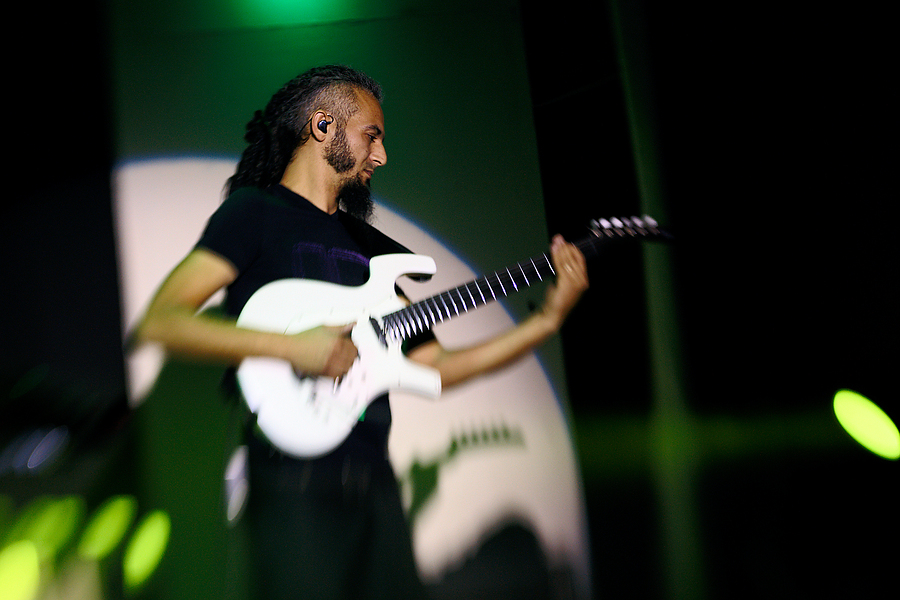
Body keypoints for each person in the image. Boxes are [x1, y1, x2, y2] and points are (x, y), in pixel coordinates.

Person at [134, 65, 588, 600]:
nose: (381, 156)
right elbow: (163, 321)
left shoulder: (375, 249)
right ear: (323, 126)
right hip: (291, 486)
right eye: (372, 135)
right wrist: (293, 347)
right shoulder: (253, 215)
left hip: (375, 486)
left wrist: (546, 322)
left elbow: (434, 368)